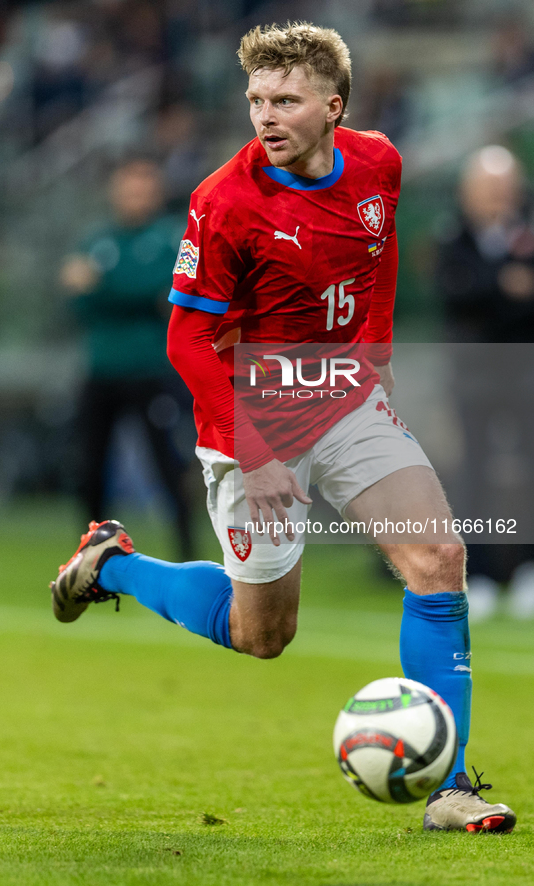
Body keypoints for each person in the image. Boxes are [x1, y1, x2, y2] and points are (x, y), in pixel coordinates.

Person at [51, 23, 515, 833]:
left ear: (332, 106)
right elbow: (186, 341)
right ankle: (114, 565)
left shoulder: (378, 163)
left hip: (342, 402)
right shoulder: (223, 202)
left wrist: (372, 343)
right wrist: (255, 456)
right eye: (256, 100)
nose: (266, 116)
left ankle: (450, 789)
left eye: (286, 100)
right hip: (250, 418)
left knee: (438, 557)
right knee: (261, 633)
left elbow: (379, 245)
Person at [60, 157, 195, 560]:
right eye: (128, 187)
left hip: (152, 368)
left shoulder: (172, 237)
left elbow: (167, 293)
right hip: (101, 369)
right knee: (89, 466)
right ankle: (92, 552)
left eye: (144, 187)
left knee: (167, 464)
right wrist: (123, 294)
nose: (135, 196)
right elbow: (79, 304)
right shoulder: (97, 238)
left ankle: (187, 548)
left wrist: (102, 287)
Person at [436, 145, 534, 621]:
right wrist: (504, 286)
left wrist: (490, 290)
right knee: (475, 469)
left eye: (504, 187)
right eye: (487, 188)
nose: (497, 197)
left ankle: (528, 571)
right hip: (475, 375)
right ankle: (481, 572)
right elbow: (457, 293)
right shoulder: (451, 234)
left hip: (524, 371)